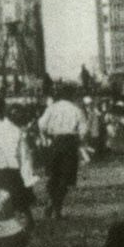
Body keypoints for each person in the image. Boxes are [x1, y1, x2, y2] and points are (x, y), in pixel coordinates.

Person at [0, 96, 38, 224]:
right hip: (12, 175)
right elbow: (25, 157)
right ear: (4, 108)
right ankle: (26, 224)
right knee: (20, 206)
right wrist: (28, 179)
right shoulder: (14, 130)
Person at [37, 86, 87, 219]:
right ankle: (57, 208)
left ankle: (51, 202)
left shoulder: (52, 108)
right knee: (65, 177)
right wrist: (79, 139)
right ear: (71, 95)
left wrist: (47, 135)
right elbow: (83, 130)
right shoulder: (76, 109)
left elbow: (41, 124)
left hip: (55, 142)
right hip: (70, 143)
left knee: (54, 175)